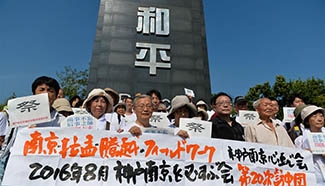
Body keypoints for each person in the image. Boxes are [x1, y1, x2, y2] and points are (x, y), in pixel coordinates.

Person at [294, 105, 325, 186]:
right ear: (307, 121)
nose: (319, 119)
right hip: (313, 178)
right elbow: (296, 161)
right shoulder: (300, 140)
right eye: (314, 116)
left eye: (321, 116)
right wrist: (304, 154)